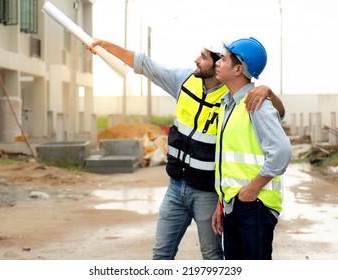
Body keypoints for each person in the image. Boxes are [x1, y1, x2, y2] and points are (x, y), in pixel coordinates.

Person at [87, 38, 284, 260]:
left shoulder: (234, 98)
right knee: (161, 254)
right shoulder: (189, 83)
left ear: (221, 64)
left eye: (204, 57)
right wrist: (107, 47)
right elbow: (145, 64)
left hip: (209, 193)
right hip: (177, 187)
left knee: (212, 256)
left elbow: (276, 117)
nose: (196, 60)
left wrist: (267, 91)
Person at [212, 37, 292, 260]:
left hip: (254, 205)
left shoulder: (255, 103)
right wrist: (222, 204)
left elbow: (282, 152)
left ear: (238, 69)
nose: (217, 62)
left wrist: (253, 189)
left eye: (224, 59)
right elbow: (230, 165)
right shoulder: (230, 104)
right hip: (235, 205)